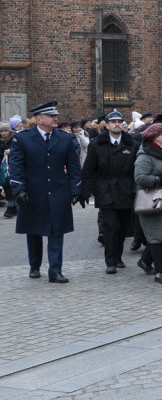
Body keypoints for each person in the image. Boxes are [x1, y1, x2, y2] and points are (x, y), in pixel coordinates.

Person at [7, 101, 83, 282]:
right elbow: (16, 165)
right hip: (32, 193)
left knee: (57, 231)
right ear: (39, 119)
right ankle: (35, 265)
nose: (56, 118)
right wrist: (19, 189)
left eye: (56, 115)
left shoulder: (65, 138)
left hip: (58, 192)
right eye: (51, 116)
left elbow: (73, 165)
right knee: (33, 231)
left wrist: (76, 189)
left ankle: (55, 271)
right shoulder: (23, 138)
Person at [82, 110, 139, 273]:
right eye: (113, 121)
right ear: (106, 125)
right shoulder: (96, 144)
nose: (117, 124)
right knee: (110, 226)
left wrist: (135, 190)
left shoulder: (132, 144)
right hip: (105, 190)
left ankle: (118, 256)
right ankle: (110, 261)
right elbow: (89, 169)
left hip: (126, 190)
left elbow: (137, 169)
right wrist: (86, 190)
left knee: (122, 227)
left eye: (120, 121)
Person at [134, 124, 162, 284]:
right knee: (157, 237)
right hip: (152, 202)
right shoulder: (145, 155)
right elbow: (139, 177)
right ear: (156, 137)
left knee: (161, 235)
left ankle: (145, 261)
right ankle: (160, 273)